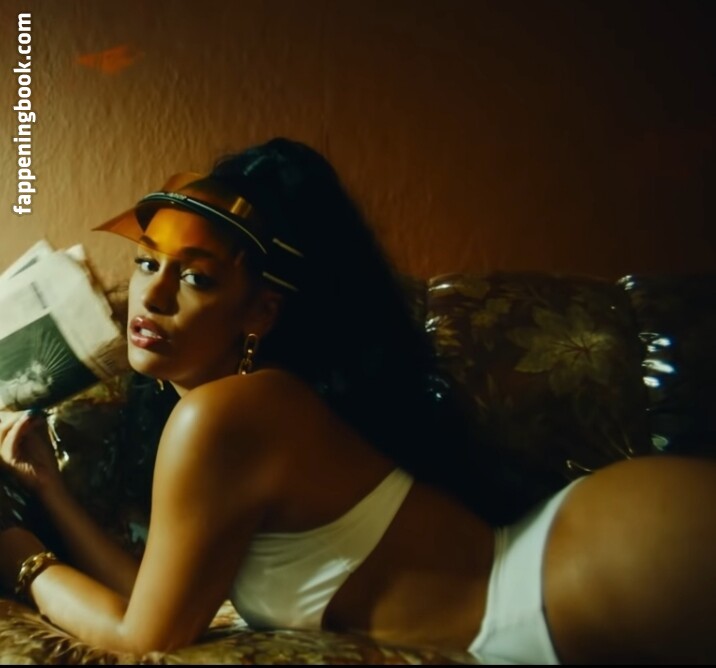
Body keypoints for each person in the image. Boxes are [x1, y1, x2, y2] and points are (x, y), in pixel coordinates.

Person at [0, 137, 715, 664]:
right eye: (147, 261)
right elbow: (159, 598)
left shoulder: (224, 416)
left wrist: (18, 555)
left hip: (604, 568)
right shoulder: (244, 414)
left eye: (197, 277)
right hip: (589, 568)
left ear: (261, 313)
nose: (152, 295)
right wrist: (48, 490)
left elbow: (142, 639)